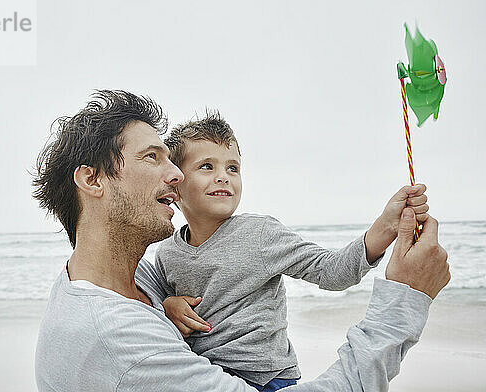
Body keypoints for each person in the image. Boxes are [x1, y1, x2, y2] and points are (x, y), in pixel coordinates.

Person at [33, 90, 450, 392]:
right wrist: (405, 298)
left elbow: (331, 269)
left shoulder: (117, 278)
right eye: (151, 157)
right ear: (92, 179)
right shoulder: (122, 339)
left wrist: (380, 232)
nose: (176, 176)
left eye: (233, 167)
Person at [155, 112, 430, 391]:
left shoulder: (260, 233)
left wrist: (384, 227)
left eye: (233, 168)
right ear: (175, 185)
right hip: (205, 376)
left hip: (267, 378)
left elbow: (331, 271)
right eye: (206, 167)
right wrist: (168, 306)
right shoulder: (166, 253)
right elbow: (154, 303)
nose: (223, 177)